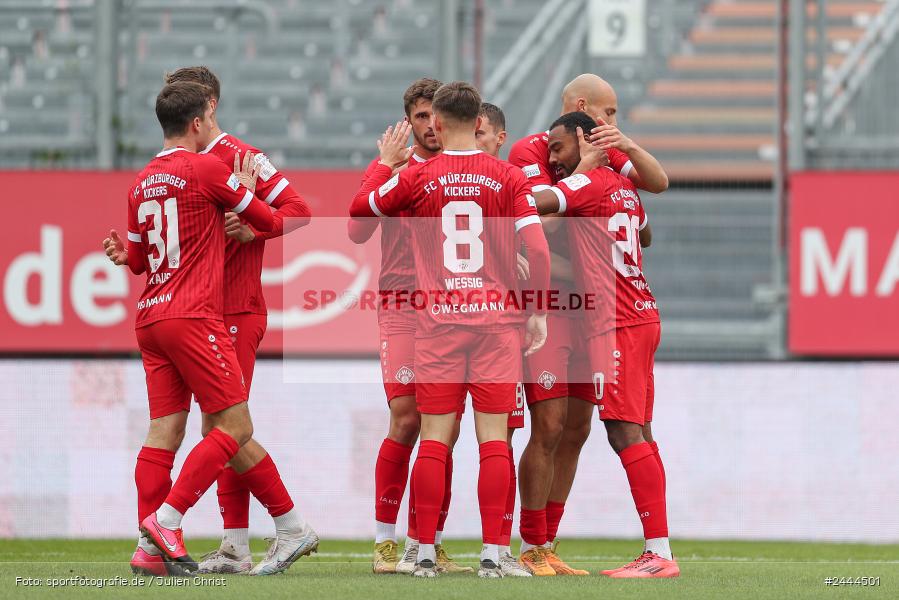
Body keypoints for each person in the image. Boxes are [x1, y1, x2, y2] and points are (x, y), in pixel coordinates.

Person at [349, 81, 551, 578]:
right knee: (493, 440)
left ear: (436, 122)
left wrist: (384, 167)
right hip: (496, 323)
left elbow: (358, 216)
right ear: (479, 122)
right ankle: (492, 553)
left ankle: (420, 553)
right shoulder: (508, 176)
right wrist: (537, 312)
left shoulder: (417, 178)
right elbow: (540, 252)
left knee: (434, 438)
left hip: (435, 322)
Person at [160, 65, 317, 578]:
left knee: (224, 427)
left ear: (207, 106)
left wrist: (253, 228)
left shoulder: (241, 158)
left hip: (233, 310)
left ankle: (286, 528)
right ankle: (236, 544)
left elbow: (299, 210)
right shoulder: (173, 165)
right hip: (195, 312)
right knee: (218, 429)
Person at [111, 81, 274, 575]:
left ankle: (147, 550)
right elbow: (265, 217)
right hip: (192, 315)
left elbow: (138, 260)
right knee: (236, 426)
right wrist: (242, 190)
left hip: (150, 318)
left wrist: (123, 254)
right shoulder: (208, 167)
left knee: (165, 429)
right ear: (199, 123)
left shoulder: (140, 183)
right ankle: (166, 520)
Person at [509, 73, 665, 575]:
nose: (613, 124)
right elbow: (531, 225)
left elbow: (651, 196)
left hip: (605, 313)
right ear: (584, 108)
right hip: (556, 308)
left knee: (581, 429)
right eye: (610, 113)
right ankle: (532, 545)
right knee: (552, 425)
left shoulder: (605, 159)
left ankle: (550, 544)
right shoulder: (533, 152)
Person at [349, 78, 470, 575]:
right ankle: (384, 543)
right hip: (402, 305)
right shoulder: (394, 170)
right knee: (406, 417)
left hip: (455, 309)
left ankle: (430, 543)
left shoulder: (465, 170)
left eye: (436, 116)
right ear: (409, 122)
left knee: (447, 428)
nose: (431, 126)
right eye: (421, 117)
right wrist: (383, 165)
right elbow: (357, 229)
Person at [474, 101, 531, 577]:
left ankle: (500, 543)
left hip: (478, 324)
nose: (476, 141)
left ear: (500, 138)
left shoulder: (510, 181)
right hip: (496, 325)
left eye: (483, 134)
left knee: (506, 436)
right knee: (448, 436)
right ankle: (427, 544)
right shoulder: (505, 184)